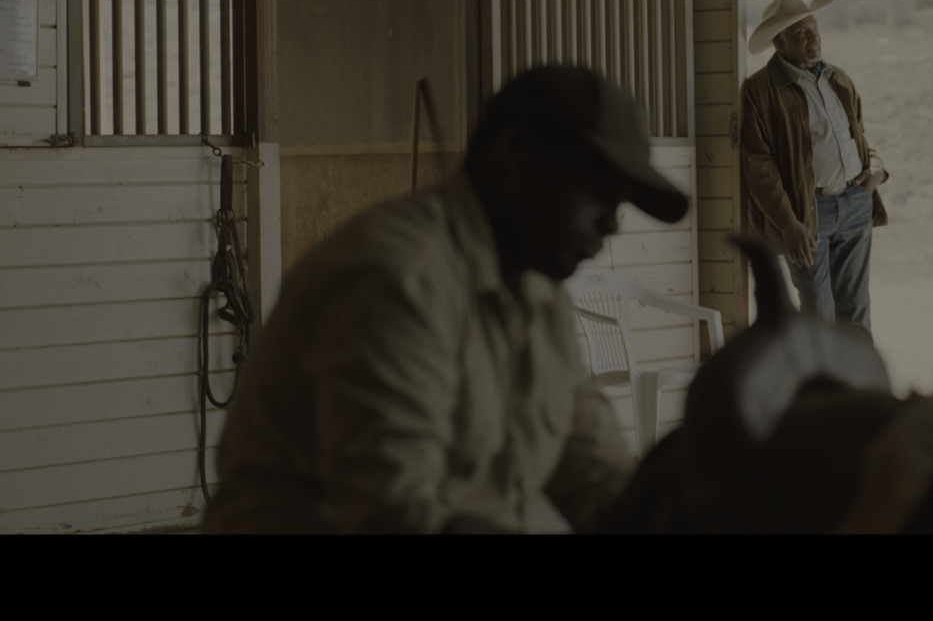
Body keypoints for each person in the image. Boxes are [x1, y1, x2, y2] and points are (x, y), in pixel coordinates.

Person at [203, 65, 689, 534]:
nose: (610, 223)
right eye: (596, 190)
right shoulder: (396, 278)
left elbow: (594, 482)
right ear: (514, 151)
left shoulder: (537, 294)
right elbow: (397, 516)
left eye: (619, 203)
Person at [739, 0, 889, 337]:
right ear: (780, 42)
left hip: (855, 200)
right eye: (801, 32)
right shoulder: (761, 89)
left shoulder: (839, 79)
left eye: (815, 28)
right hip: (808, 213)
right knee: (818, 309)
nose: (814, 38)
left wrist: (877, 170)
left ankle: (859, 387)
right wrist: (788, 222)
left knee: (855, 308)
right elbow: (758, 164)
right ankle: (821, 388)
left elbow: (859, 138)